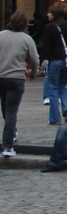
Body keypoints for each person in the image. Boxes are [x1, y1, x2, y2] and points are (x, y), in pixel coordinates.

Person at [0, 11, 39, 158]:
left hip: (1, 75)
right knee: (12, 110)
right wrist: (33, 72)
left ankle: (10, 132)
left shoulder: (1, 35)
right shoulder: (26, 39)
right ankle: (8, 145)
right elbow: (34, 59)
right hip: (16, 77)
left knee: (5, 107)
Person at [40, 4, 67, 126]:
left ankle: (54, 118)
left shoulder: (49, 27)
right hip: (66, 61)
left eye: (50, 13)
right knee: (62, 87)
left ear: (54, 14)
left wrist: (42, 60)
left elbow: (46, 46)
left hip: (54, 59)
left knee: (53, 88)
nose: (48, 15)